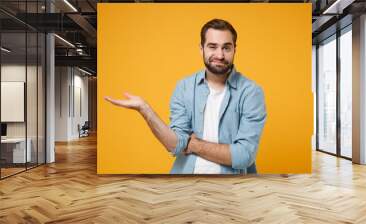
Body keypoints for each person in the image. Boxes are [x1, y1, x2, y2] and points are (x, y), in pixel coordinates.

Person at [105, 18, 267, 174]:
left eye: (226, 47)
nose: (220, 55)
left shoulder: (251, 92)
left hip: (230, 186)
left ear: (234, 50)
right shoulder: (184, 87)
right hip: (186, 180)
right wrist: (146, 110)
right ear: (201, 49)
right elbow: (174, 144)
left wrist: (194, 144)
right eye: (212, 46)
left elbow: (244, 155)